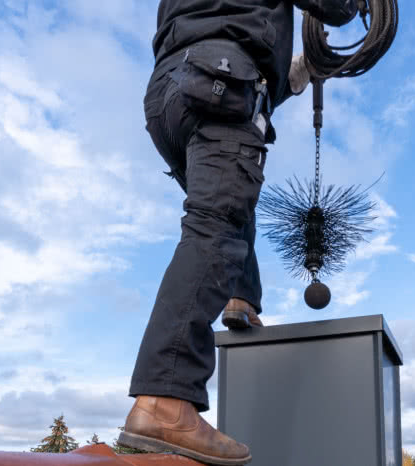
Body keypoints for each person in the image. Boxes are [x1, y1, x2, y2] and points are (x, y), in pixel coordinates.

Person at [118, 1, 359, 464]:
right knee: (217, 222)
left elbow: (231, 29)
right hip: (219, 81)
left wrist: (299, 69)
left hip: (172, 93)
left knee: (228, 205)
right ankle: (164, 401)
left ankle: (241, 299)